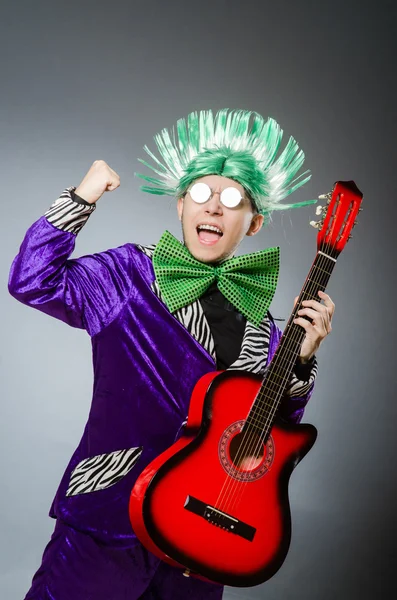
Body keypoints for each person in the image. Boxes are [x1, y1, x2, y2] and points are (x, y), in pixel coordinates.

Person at [8, 108, 335, 600]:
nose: (215, 209)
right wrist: (82, 197)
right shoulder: (127, 276)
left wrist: (303, 360)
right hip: (108, 523)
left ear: (254, 224)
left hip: (203, 541)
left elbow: (268, 441)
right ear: (181, 205)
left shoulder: (267, 333)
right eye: (202, 194)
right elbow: (31, 280)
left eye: (233, 200)